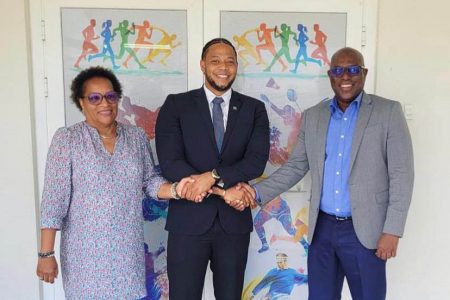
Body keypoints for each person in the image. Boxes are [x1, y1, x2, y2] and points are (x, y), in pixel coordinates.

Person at [240, 47, 414, 300]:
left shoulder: (387, 112)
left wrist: (393, 230)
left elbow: (402, 175)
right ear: (330, 75)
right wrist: (254, 193)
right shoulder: (314, 117)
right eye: (338, 70)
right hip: (323, 230)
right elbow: (296, 166)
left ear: (364, 73)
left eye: (353, 69)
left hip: (366, 231)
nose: (346, 76)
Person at [36, 66, 193, 299]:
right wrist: (46, 254)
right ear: (81, 102)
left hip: (127, 252)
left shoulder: (136, 137)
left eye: (110, 96)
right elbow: (53, 201)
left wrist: (178, 189)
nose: (104, 103)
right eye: (94, 98)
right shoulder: (68, 140)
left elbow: (149, 182)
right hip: (85, 256)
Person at [155, 38, 270, 300]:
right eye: (216, 61)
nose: (223, 67)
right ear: (202, 65)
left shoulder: (254, 109)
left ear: (237, 67)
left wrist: (213, 177)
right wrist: (223, 191)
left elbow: (255, 162)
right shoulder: (176, 105)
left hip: (233, 225)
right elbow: (171, 162)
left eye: (230, 61)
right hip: (187, 222)